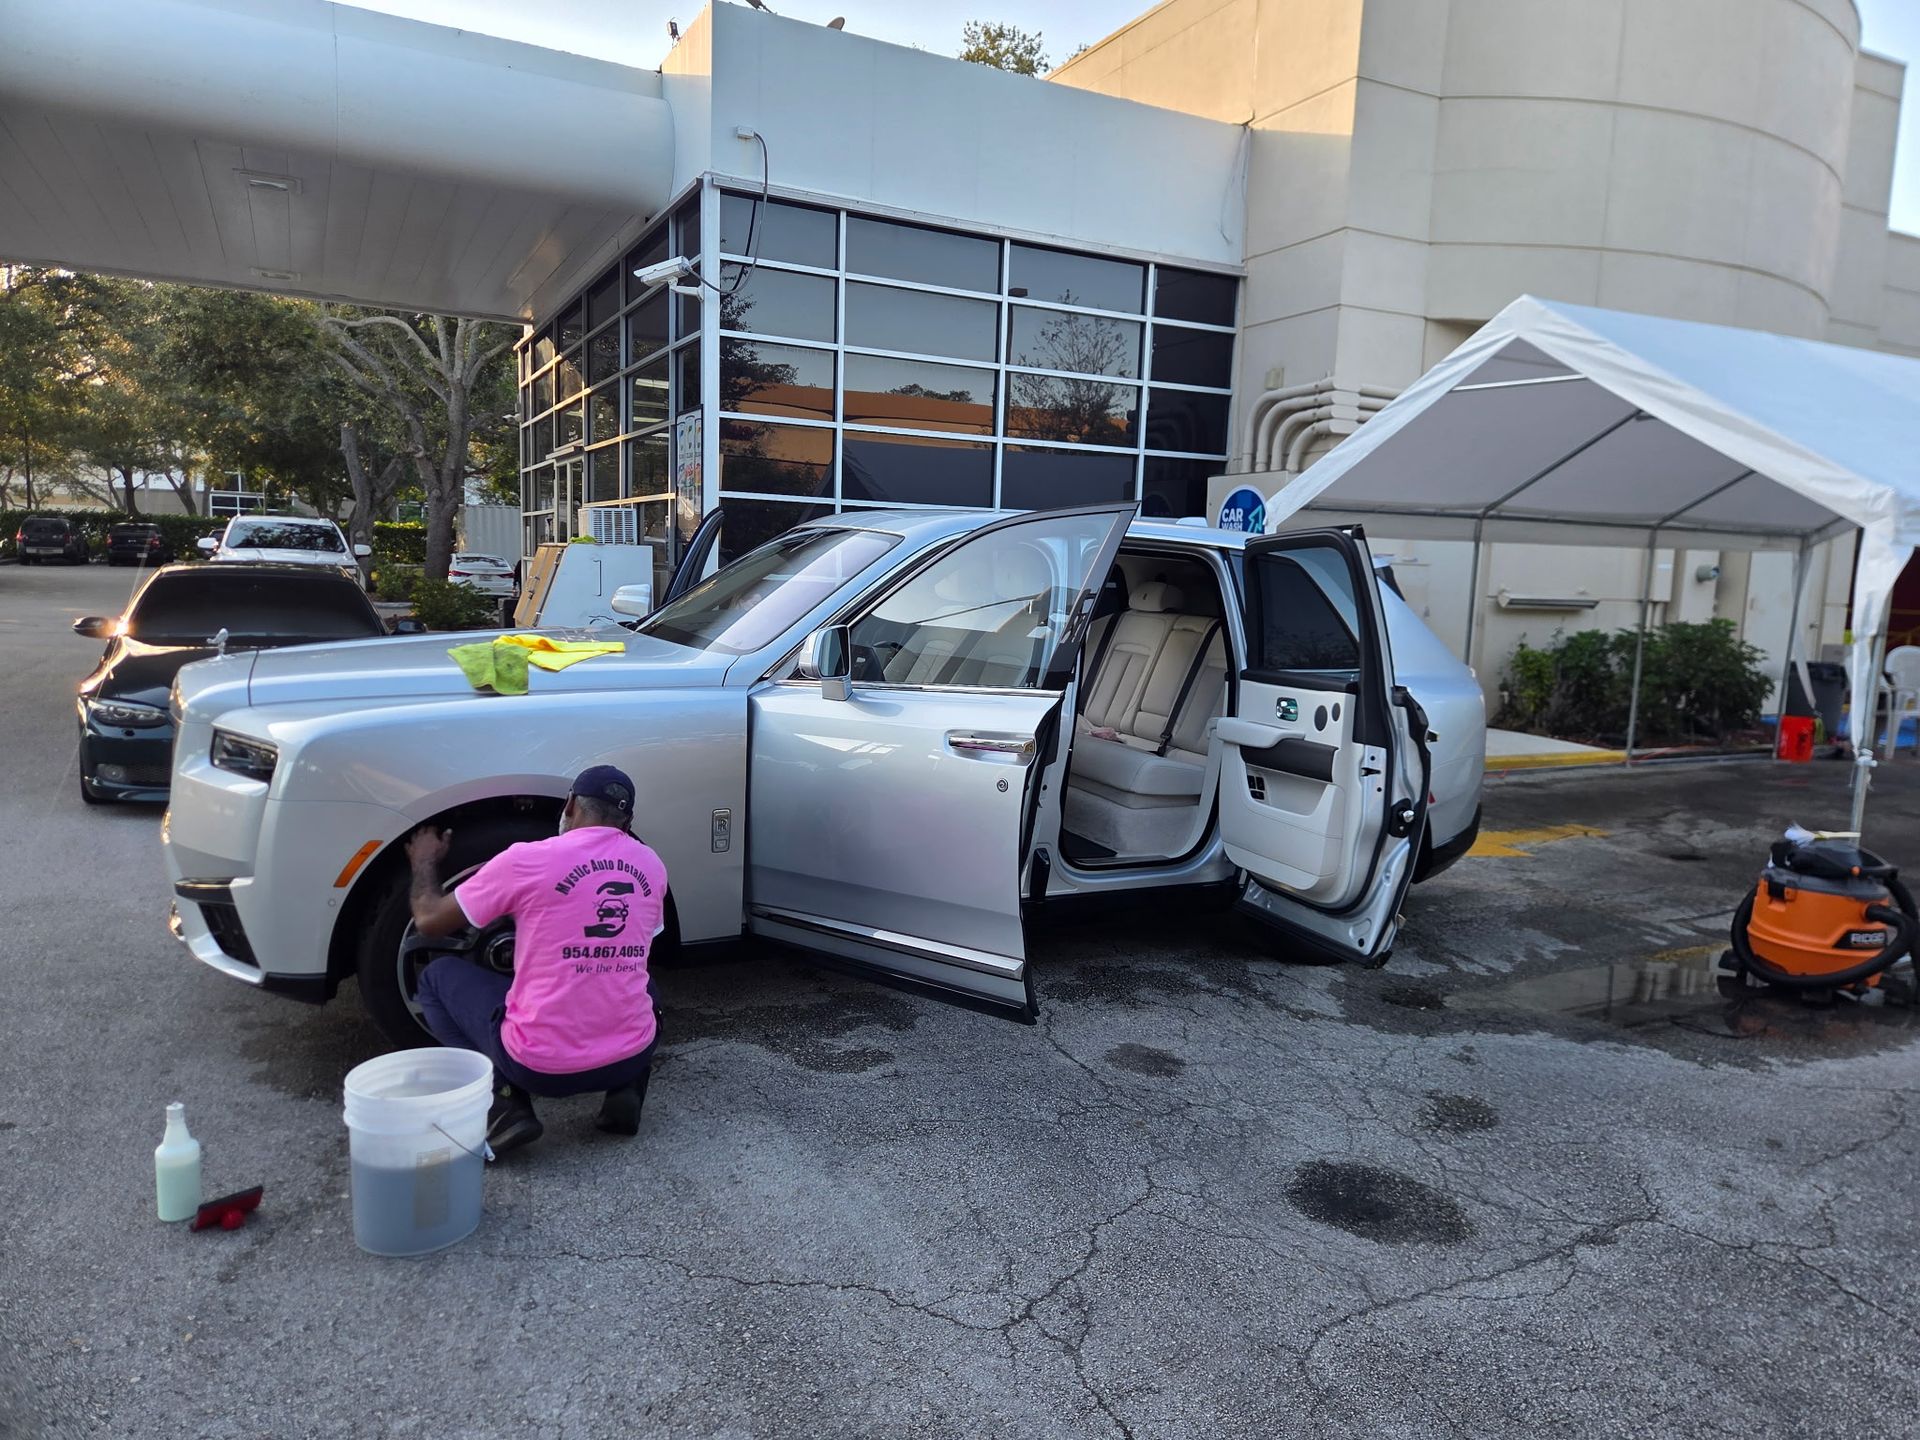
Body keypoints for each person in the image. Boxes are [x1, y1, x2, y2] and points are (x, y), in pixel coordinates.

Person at [404, 765, 667, 1156]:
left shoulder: (528, 860)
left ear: (571, 804)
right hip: (632, 1056)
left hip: (539, 1070)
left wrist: (424, 862)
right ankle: (625, 1094)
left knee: (436, 977)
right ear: (627, 822)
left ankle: (503, 1103)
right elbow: (635, 943)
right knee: (643, 983)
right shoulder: (652, 865)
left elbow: (429, 920)